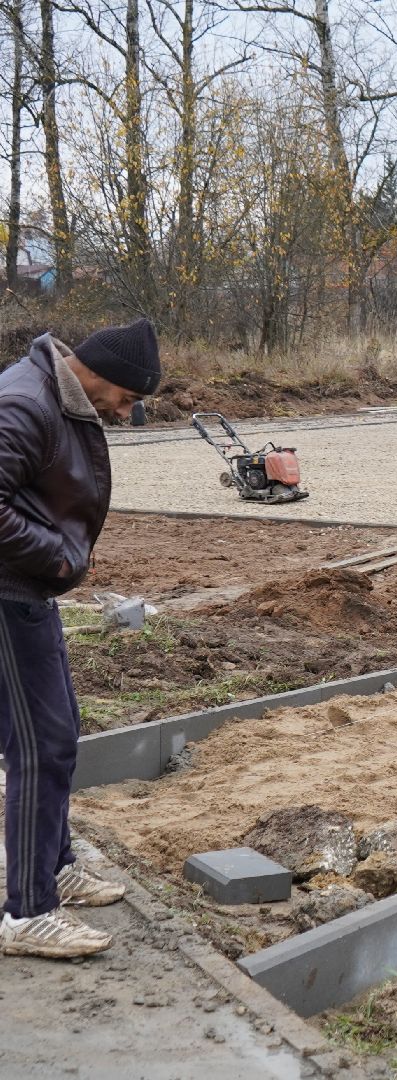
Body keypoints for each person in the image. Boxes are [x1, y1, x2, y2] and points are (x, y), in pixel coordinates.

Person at [0, 319, 161, 959]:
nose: (122, 414)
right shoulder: (25, 402)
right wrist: (58, 557)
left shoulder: (57, 393)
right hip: (9, 593)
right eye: (123, 400)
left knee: (58, 729)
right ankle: (28, 913)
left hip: (28, 586)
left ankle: (57, 866)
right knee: (41, 745)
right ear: (97, 374)